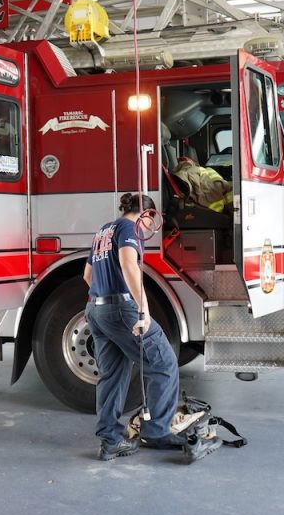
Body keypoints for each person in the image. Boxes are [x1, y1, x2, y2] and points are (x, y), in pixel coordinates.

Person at [83, 193, 218, 462]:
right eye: (149, 220)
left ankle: (110, 440)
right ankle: (157, 431)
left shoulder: (103, 231)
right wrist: (142, 310)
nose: (148, 228)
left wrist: (105, 302)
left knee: (112, 374)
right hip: (121, 309)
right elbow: (128, 265)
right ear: (144, 215)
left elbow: (87, 276)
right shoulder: (127, 228)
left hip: (95, 309)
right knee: (165, 363)